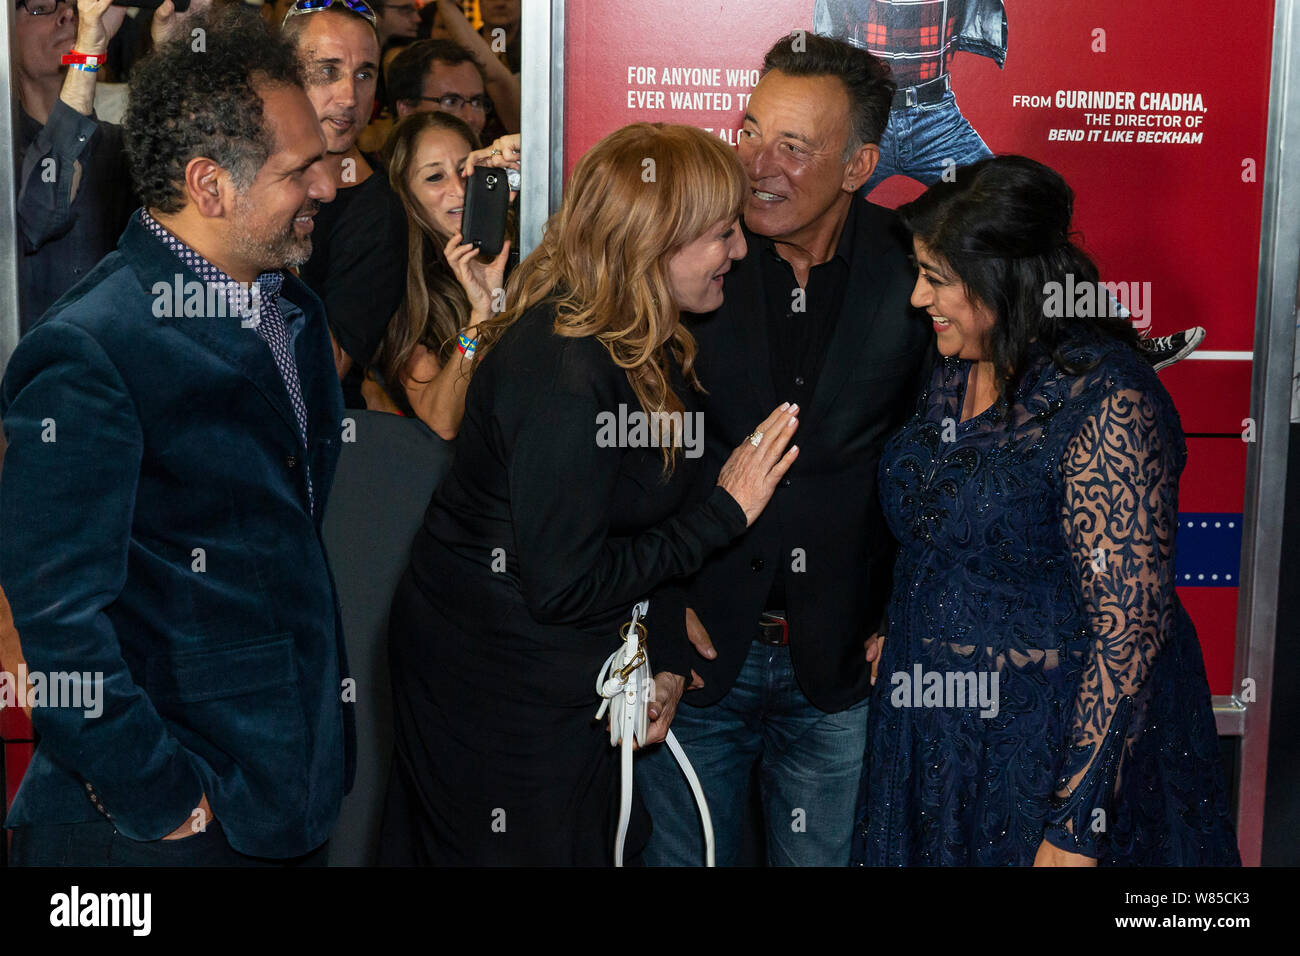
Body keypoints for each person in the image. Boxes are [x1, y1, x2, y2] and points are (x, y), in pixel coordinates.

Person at [378, 122, 800, 866]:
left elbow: (640, 520)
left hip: (567, 666)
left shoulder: (650, 337)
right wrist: (727, 512)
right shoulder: (565, 366)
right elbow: (564, 584)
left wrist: (665, 647)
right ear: (655, 241)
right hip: (496, 681)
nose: (740, 251)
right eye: (724, 234)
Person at [0, 10, 352, 866]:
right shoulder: (93, 349)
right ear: (210, 186)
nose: (329, 188)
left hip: (280, 797)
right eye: (301, 169)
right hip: (151, 830)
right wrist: (154, 794)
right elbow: (53, 622)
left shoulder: (295, 313)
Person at [858, 155, 1240, 865]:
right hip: (933, 735)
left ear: (1003, 280)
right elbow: (942, 523)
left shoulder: (1106, 398)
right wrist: (904, 622)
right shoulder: (955, 365)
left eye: (936, 278)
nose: (918, 299)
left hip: (1041, 753)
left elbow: (1129, 632)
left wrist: (1076, 825)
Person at [636, 33, 930, 868]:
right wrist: (658, 609)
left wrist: (904, 617)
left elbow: (940, 458)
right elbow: (628, 458)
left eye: (794, 147)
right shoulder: (689, 257)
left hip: (838, 673)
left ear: (858, 164)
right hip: (694, 662)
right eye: (751, 129)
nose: (757, 162)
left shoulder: (915, 270)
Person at [812, 0, 1205, 369]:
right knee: (809, 218)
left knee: (1018, 220)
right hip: (863, 118)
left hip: (935, 119)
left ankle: (1126, 343)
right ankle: (794, 345)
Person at [12, 0, 202, 332]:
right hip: (36, 374)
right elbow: (40, 213)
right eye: (43, 6)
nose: (69, 14)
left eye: (75, 5)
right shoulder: (5, 155)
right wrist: (86, 51)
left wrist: (175, 56)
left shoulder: (121, 145)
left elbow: (199, 201)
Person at [282, 0, 409, 404]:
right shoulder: (234, 170)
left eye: (364, 74)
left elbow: (328, 366)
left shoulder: (378, 212)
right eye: (327, 70)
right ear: (281, 74)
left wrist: (272, 227)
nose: (349, 95)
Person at [369, 112, 512, 437]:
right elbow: (442, 421)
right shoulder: (404, 288)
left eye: (466, 171)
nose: (459, 189)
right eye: (435, 177)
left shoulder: (522, 245)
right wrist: (481, 315)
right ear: (405, 193)